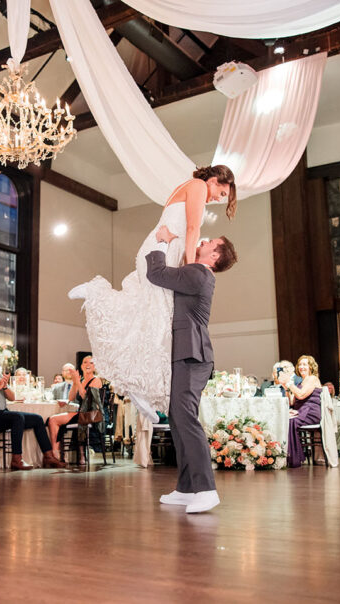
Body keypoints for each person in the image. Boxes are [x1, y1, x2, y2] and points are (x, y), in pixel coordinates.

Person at [68, 165, 237, 422]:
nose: (217, 198)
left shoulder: (191, 187)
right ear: (213, 181)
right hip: (163, 251)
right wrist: (190, 266)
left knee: (145, 320)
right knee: (156, 323)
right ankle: (96, 293)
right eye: (221, 191)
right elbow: (192, 229)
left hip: (165, 248)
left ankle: (135, 388)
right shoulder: (198, 187)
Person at [146, 225, 239, 514]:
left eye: (211, 242)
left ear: (214, 255)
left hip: (192, 353)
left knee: (185, 417)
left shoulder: (198, 273)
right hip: (186, 352)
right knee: (178, 417)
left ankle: (206, 488)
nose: (205, 240)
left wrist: (160, 244)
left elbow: (157, 274)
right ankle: (187, 488)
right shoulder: (196, 272)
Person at [0, 348, 66, 470]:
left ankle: (49, 457)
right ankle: (16, 459)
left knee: (37, 419)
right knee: (17, 417)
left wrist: (4, 387)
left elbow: (12, 397)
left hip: (1, 413)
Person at [47, 356, 100, 462]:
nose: (88, 364)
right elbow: (71, 398)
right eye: (85, 362)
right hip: (81, 413)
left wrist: (77, 382)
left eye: (91, 363)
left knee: (53, 420)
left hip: (92, 414)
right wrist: (76, 382)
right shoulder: (81, 380)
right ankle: (56, 453)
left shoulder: (96, 380)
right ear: (81, 366)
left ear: (94, 367)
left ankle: (55, 454)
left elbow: (86, 398)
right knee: (53, 419)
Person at [281, 355, 323, 469]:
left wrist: (290, 385)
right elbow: (292, 402)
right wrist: (286, 388)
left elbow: (301, 394)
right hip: (301, 411)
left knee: (291, 422)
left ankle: (294, 457)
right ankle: (288, 455)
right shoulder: (301, 382)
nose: (301, 367)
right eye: (300, 364)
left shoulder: (312, 378)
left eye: (305, 364)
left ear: (311, 366)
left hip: (311, 412)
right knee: (285, 420)